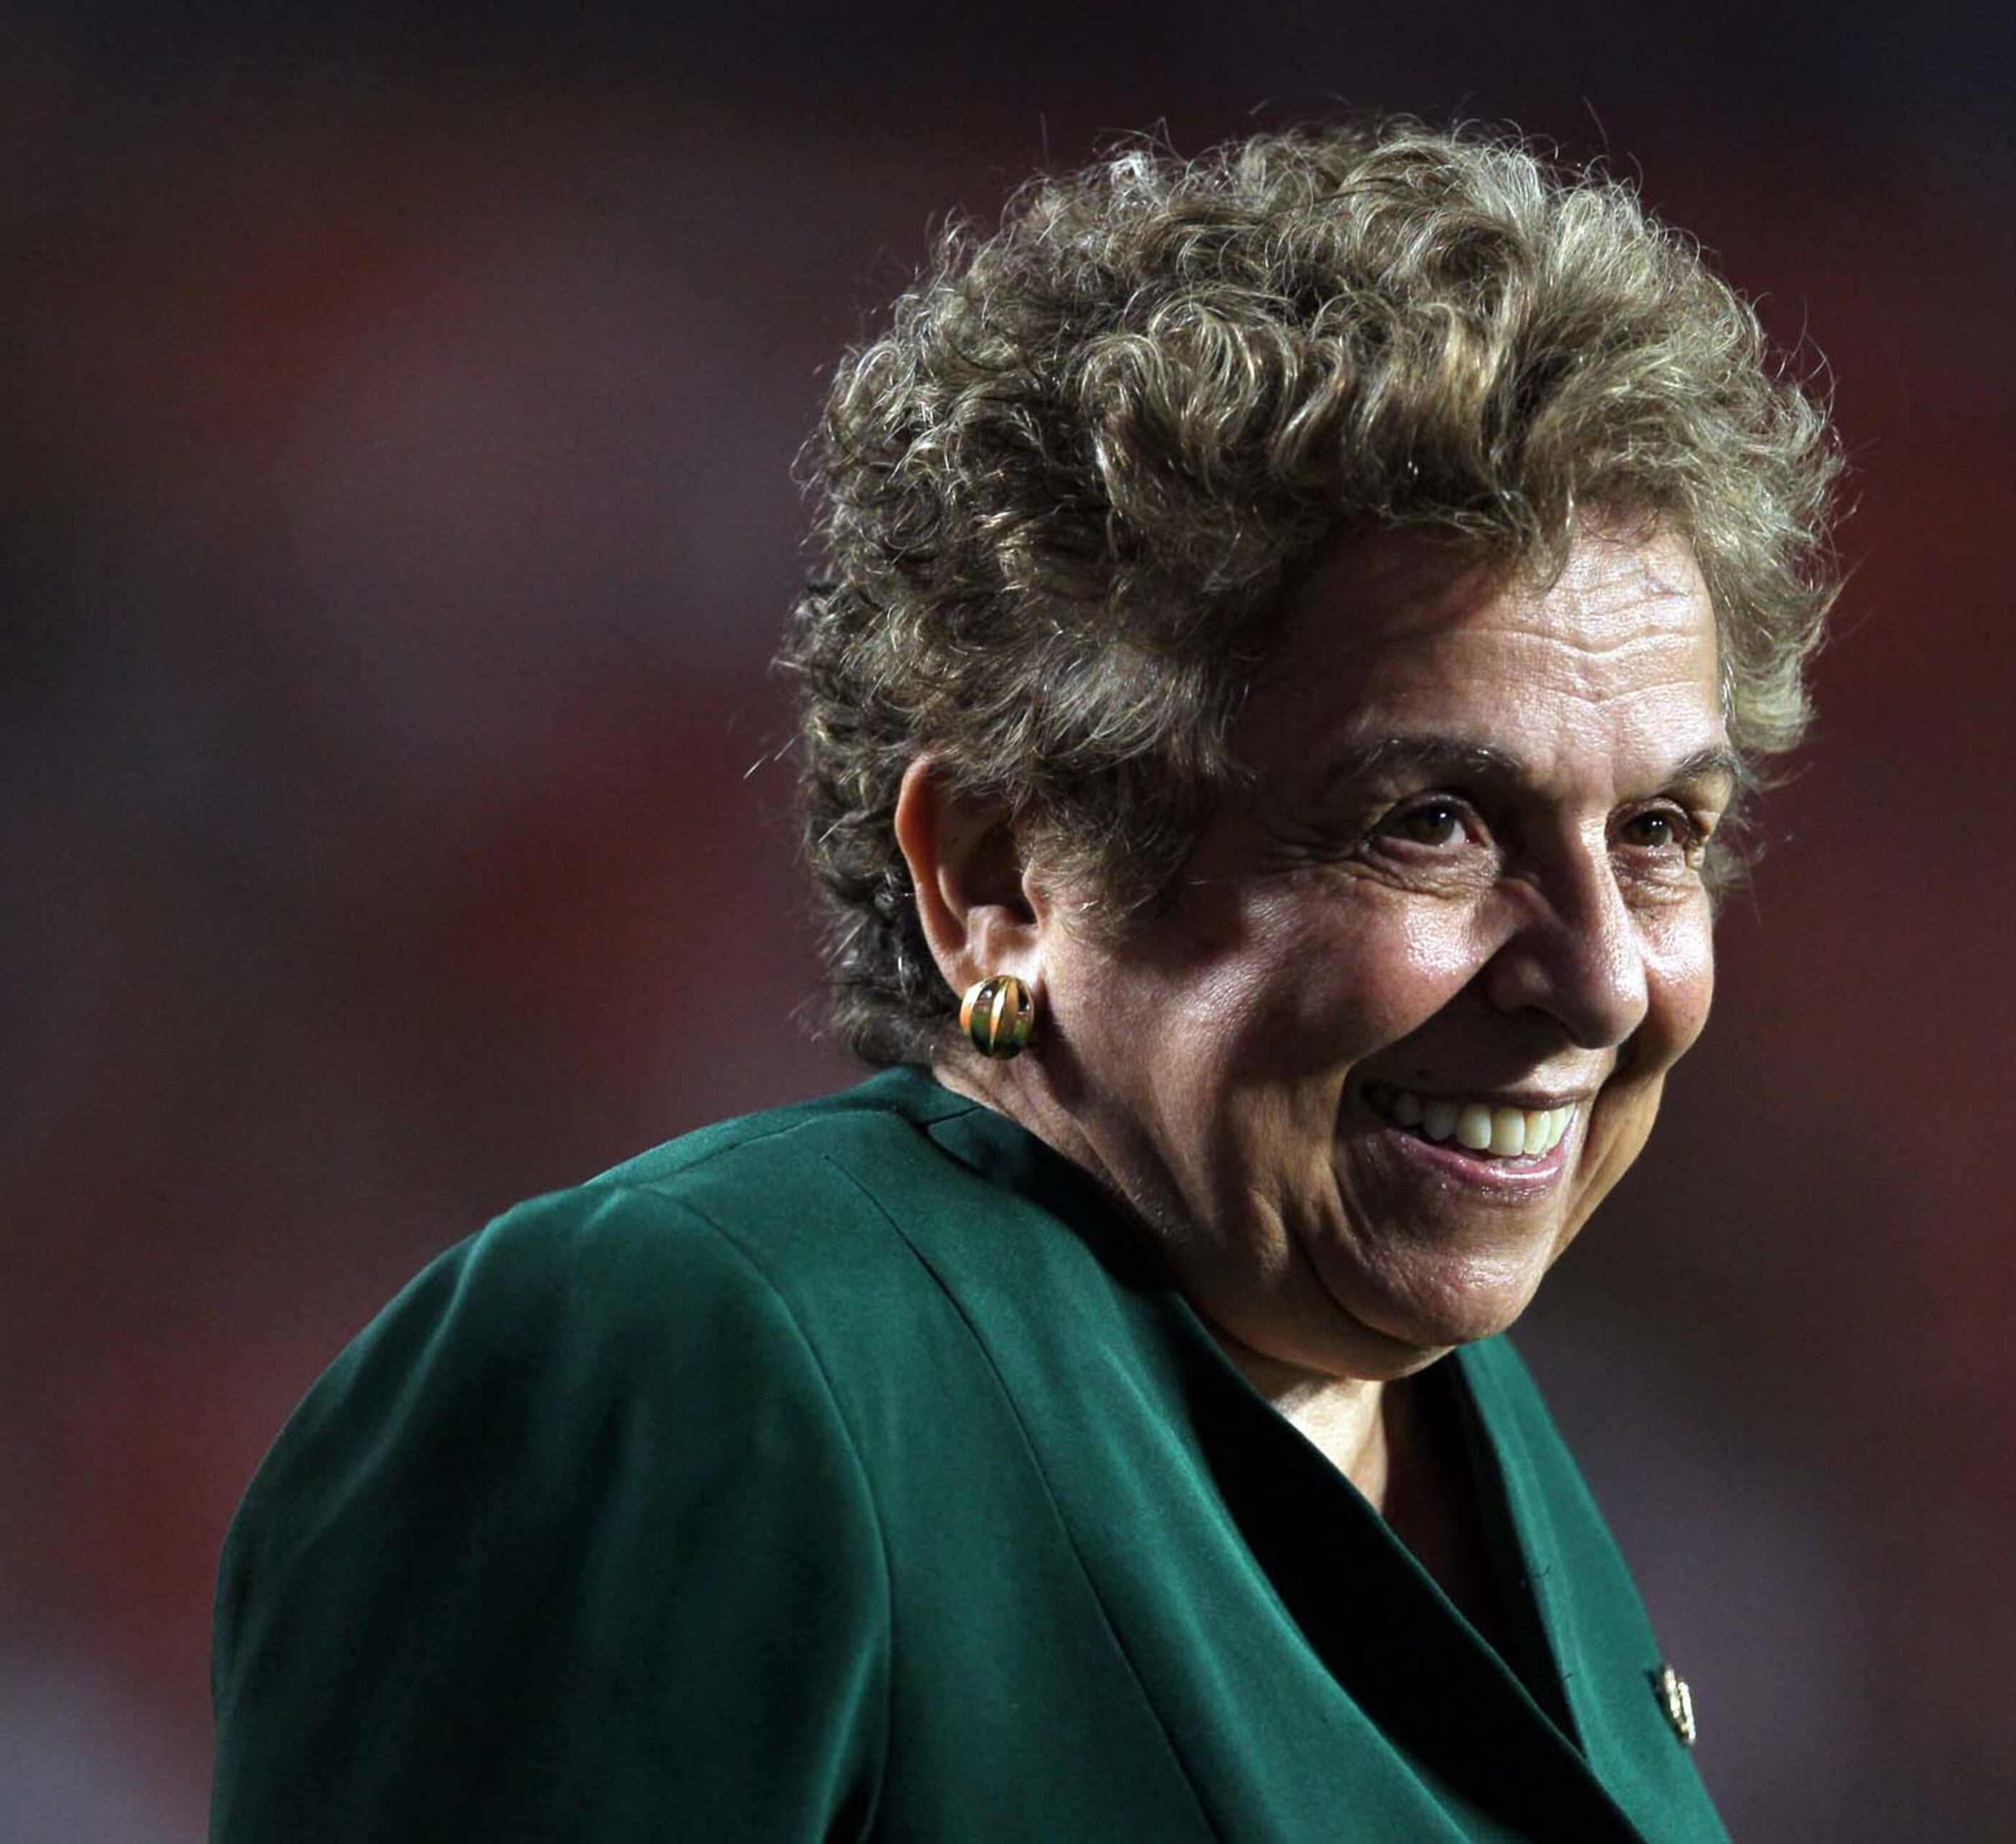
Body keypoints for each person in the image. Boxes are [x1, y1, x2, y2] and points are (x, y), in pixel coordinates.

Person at [208, 118, 1839, 1842]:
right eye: (1428, 820)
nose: (1596, 979)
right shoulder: (699, 1361)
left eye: (1660, 829)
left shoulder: (1450, 1426)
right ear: (994, 877)